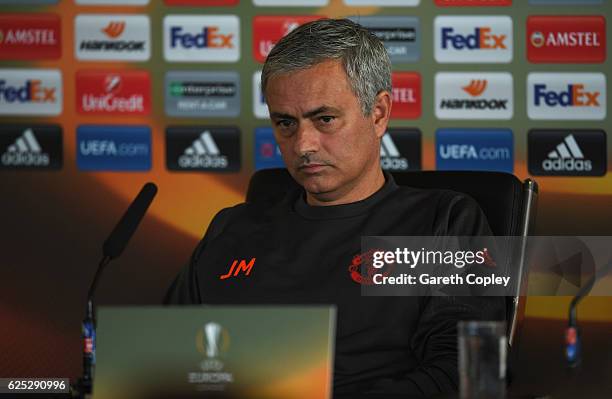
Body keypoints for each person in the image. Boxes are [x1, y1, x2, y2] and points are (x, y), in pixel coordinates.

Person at [165, 18, 504, 396]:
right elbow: (163, 359)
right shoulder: (232, 228)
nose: (303, 144)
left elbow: (472, 372)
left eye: (324, 119)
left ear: (378, 113)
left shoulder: (441, 222)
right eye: (285, 123)